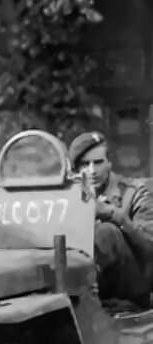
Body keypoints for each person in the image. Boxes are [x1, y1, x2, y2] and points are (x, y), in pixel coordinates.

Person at [69, 131, 153, 308]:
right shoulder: (68, 198)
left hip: (131, 288)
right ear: (75, 169)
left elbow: (150, 245)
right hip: (87, 288)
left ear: (109, 163)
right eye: (85, 164)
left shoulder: (135, 192)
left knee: (106, 232)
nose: (92, 171)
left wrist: (112, 214)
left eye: (98, 162)